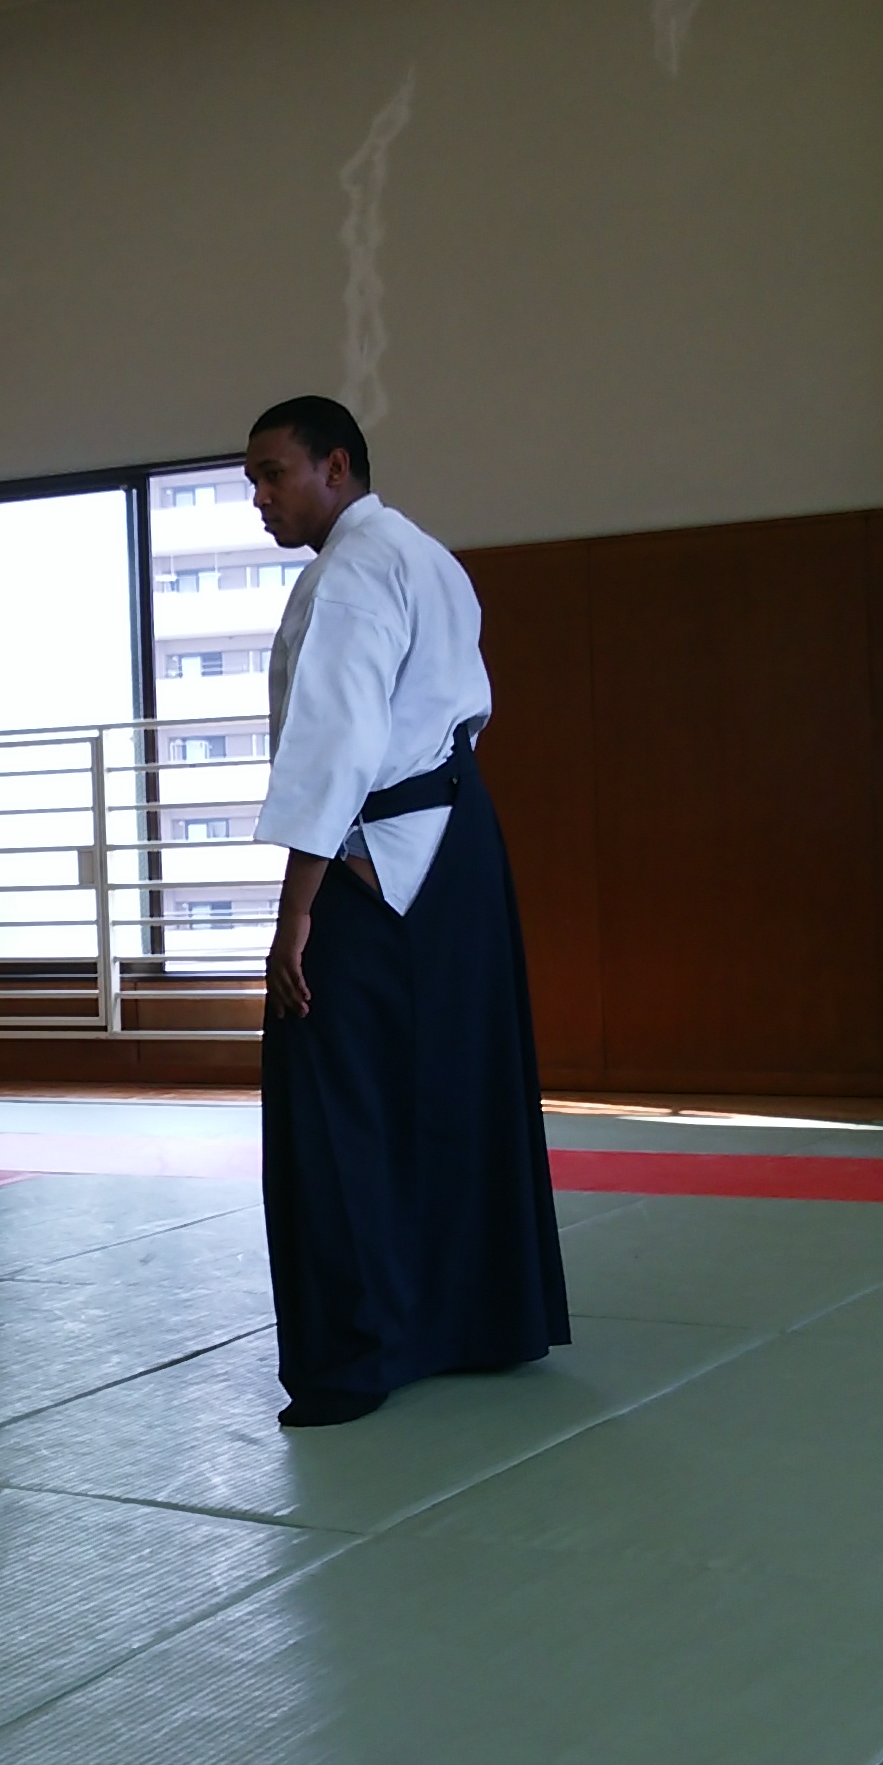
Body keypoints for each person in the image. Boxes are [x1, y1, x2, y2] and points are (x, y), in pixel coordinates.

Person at [245, 395, 568, 1427]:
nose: (260, 498)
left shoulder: (350, 573)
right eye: (253, 481)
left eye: (273, 474)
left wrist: (294, 912)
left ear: (336, 467)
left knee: (333, 1101)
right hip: (459, 842)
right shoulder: (429, 557)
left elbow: (336, 744)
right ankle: (480, 1320)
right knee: (456, 1080)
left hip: (373, 859)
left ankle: (357, 1354)